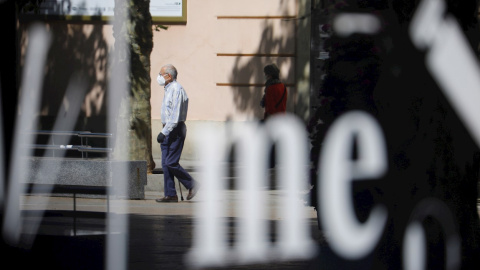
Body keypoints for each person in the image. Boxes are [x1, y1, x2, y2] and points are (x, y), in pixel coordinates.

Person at [155, 64, 199, 202]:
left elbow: (174, 116)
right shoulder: (168, 89)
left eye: (160, 74)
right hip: (167, 129)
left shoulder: (176, 89)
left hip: (175, 129)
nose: (159, 77)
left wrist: (164, 132)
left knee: (171, 162)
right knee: (165, 163)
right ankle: (170, 194)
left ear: (168, 76)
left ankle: (192, 184)